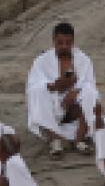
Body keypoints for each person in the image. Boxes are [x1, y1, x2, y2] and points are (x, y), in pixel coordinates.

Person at [26, 22, 98, 157]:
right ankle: (54, 140)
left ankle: (79, 139)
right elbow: (33, 84)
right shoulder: (41, 61)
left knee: (89, 92)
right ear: (54, 41)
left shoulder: (83, 60)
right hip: (52, 105)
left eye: (68, 42)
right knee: (37, 91)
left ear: (73, 42)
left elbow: (90, 83)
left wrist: (74, 92)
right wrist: (55, 86)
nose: (64, 46)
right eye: (60, 42)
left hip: (73, 108)